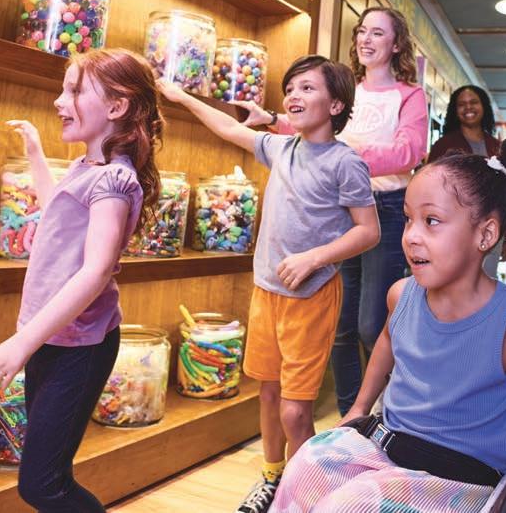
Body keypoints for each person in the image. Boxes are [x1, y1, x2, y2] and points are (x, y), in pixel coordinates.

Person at [272, 139, 506, 513]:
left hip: (462, 478)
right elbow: (388, 340)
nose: (411, 235)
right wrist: (358, 408)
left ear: (485, 235)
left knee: (350, 506)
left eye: (431, 221)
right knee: (305, 463)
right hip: (388, 449)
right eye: (408, 219)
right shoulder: (401, 295)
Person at [159, 55, 381, 513]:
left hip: (311, 297)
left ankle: (304, 495)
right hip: (266, 293)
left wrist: (314, 258)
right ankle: (273, 477)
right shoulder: (281, 148)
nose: (294, 96)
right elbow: (229, 128)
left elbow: (369, 231)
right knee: (268, 392)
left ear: (336, 105)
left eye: (307, 88)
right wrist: (180, 97)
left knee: (295, 411)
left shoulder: (345, 163)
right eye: (291, 88)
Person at [0, 49, 163, 512]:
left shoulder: (115, 182)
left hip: (79, 347)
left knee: (43, 485)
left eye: (75, 90)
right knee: (46, 479)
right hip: (54, 337)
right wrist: (36, 154)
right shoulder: (87, 169)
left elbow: (96, 272)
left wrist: (21, 343)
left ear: (117, 106)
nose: (60, 101)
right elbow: (57, 212)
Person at [236, 7, 427, 416]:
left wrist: (344, 156)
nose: (366, 39)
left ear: (396, 44)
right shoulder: (344, 89)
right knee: (341, 327)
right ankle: (349, 420)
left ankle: (389, 413)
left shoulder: (409, 95)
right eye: (362, 31)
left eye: (378, 33)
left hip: (385, 209)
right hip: (333, 209)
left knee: (371, 324)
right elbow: (311, 130)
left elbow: (409, 152)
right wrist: (273, 119)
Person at [428, 84, 506, 277]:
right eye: (462, 104)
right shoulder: (443, 146)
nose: (468, 107)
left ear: (483, 107)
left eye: (474, 102)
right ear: (454, 110)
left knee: (486, 282)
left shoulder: (497, 147)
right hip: (453, 230)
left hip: (491, 228)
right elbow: (429, 190)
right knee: (453, 283)